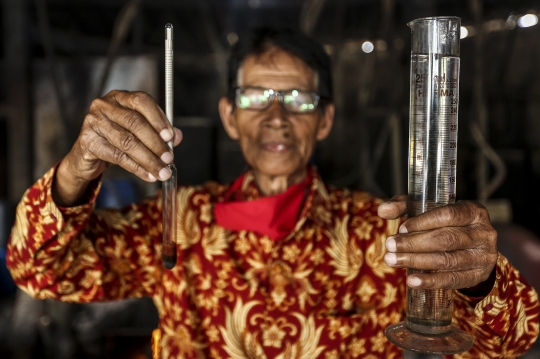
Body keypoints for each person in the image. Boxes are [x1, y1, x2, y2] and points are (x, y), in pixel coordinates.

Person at [6, 26, 539, 359]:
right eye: (256, 95)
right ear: (229, 116)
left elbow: (510, 342)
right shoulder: (178, 224)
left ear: (325, 119)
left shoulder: (379, 234)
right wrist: (77, 170)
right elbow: (38, 270)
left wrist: (480, 277)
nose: (277, 116)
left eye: (299, 99)